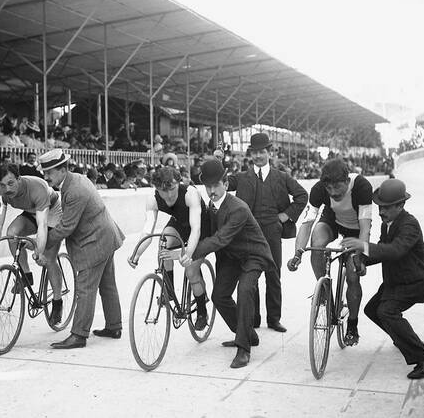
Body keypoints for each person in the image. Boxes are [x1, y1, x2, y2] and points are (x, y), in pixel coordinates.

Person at [181, 160, 276, 368]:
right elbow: (204, 232)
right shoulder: (210, 207)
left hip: (254, 256)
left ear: (226, 183)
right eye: (208, 187)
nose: (212, 191)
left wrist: (190, 253)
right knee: (219, 296)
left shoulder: (238, 208)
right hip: (232, 256)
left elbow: (219, 239)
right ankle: (248, 333)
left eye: (216, 185)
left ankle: (243, 349)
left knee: (244, 290)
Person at [340, 179, 424, 379]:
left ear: (401, 205)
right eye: (379, 207)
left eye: (386, 207)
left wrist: (363, 246)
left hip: (414, 282)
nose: (381, 212)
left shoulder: (409, 224)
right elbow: (382, 250)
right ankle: (406, 340)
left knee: (387, 312)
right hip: (396, 281)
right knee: (372, 310)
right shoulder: (388, 225)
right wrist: (360, 259)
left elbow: (395, 251)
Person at [37, 149, 123, 349]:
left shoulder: (74, 190)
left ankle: (78, 335)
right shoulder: (75, 180)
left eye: (50, 172)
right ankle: (114, 326)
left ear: (63, 169)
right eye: (45, 172)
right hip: (105, 236)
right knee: (107, 284)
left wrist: (40, 243)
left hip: (95, 241)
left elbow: (67, 227)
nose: (46, 176)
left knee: (85, 289)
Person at [227, 133, 308, 332]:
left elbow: (302, 195)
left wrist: (285, 216)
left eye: (262, 152)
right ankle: (253, 319)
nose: (258, 156)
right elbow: (222, 182)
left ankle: (274, 319)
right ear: (250, 155)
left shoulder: (281, 176)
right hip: (248, 233)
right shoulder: (242, 177)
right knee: (250, 275)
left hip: (272, 231)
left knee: (273, 274)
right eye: (254, 152)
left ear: (269, 153)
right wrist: (219, 159)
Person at [287, 158, 372, 346]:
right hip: (333, 221)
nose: (333, 193)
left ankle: (352, 325)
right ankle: (324, 289)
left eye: (338, 188)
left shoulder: (362, 186)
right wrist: (298, 254)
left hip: (357, 229)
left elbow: (365, 227)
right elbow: (307, 222)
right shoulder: (319, 189)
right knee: (316, 241)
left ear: (347, 182)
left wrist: (362, 256)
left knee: (352, 275)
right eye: (329, 189)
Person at [0, 163, 64, 325]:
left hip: (51, 212)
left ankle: (57, 302)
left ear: (19, 179)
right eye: (3, 185)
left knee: (49, 258)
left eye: (11, 183)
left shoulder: (37, 186)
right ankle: (26, 275)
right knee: (11, 233)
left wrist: (39, 251)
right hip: (31, 212)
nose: (7, 189)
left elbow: (42, 224)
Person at [129, 167, 210, 330]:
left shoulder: (190, 193)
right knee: (163, 242)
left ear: (178, 183)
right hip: (180, 224)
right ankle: (169, 291)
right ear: (156, 188)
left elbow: (196, 229)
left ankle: (202, 311)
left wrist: (187, 254)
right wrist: (136, 254)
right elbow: (147, 229)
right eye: (163, 191)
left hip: (201, 228)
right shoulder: (152, 199)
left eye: (172, 189)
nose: (169, 195)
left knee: (191, 271)